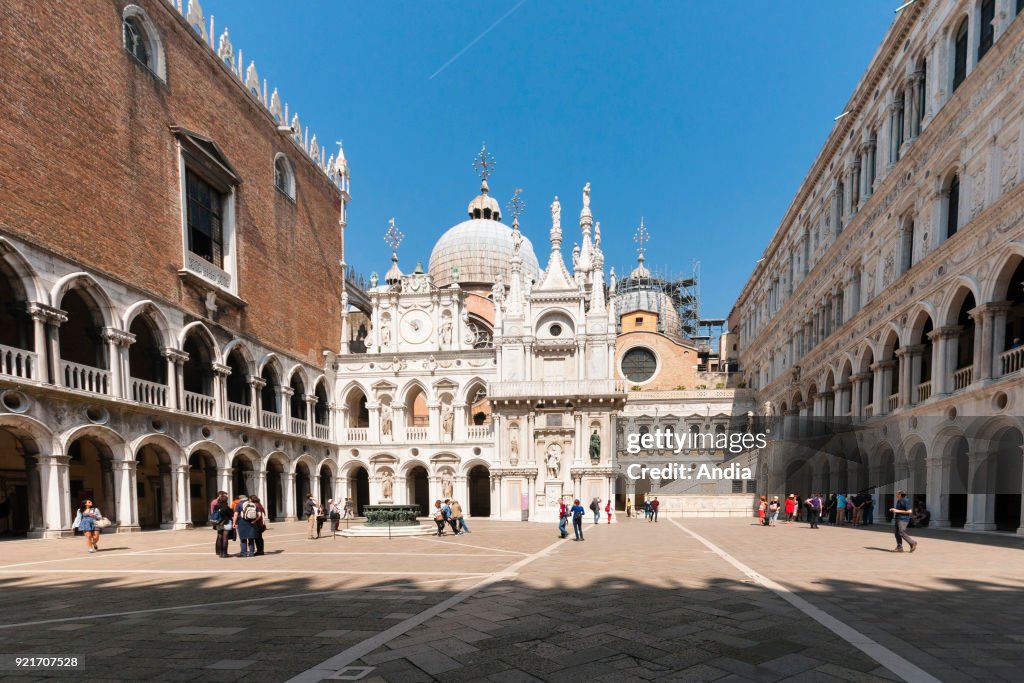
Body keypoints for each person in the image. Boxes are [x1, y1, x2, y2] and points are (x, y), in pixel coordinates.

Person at [211, 492, 233, 557]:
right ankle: (224, 553)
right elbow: (231, 514)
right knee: (225, 538)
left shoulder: (216, 507)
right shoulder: (226, 507)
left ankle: (219, 552)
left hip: (219, 523)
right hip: (226, 523)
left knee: (219, 537)